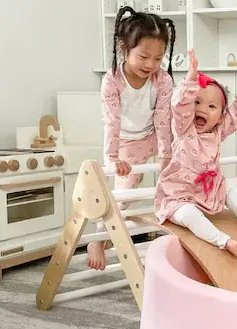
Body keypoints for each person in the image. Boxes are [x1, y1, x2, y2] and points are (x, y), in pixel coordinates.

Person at [153, 50, 237, 257]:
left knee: (229, 186)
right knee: (189, 214)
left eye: (211, 106)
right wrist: (190, 81)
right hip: (178, 196)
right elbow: (180, 106)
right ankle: (223, 241)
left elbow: (235, 115)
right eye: (197, 103)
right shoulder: (183, 129)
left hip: (206, 192)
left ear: (219, 117)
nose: (202, 109)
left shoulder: (219, 131)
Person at [87, 6, 176, 270]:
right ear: (124, 48)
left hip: (153, 134)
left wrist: (166, 153)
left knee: (180, 174)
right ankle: (98, 237)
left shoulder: (163, 80)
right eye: (144, 56)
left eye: (159, 58)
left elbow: (163, 120)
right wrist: (112, 159)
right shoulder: (112, 81)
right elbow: (111, 122)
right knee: (123, 195)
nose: (151, 65)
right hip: (126, 142)